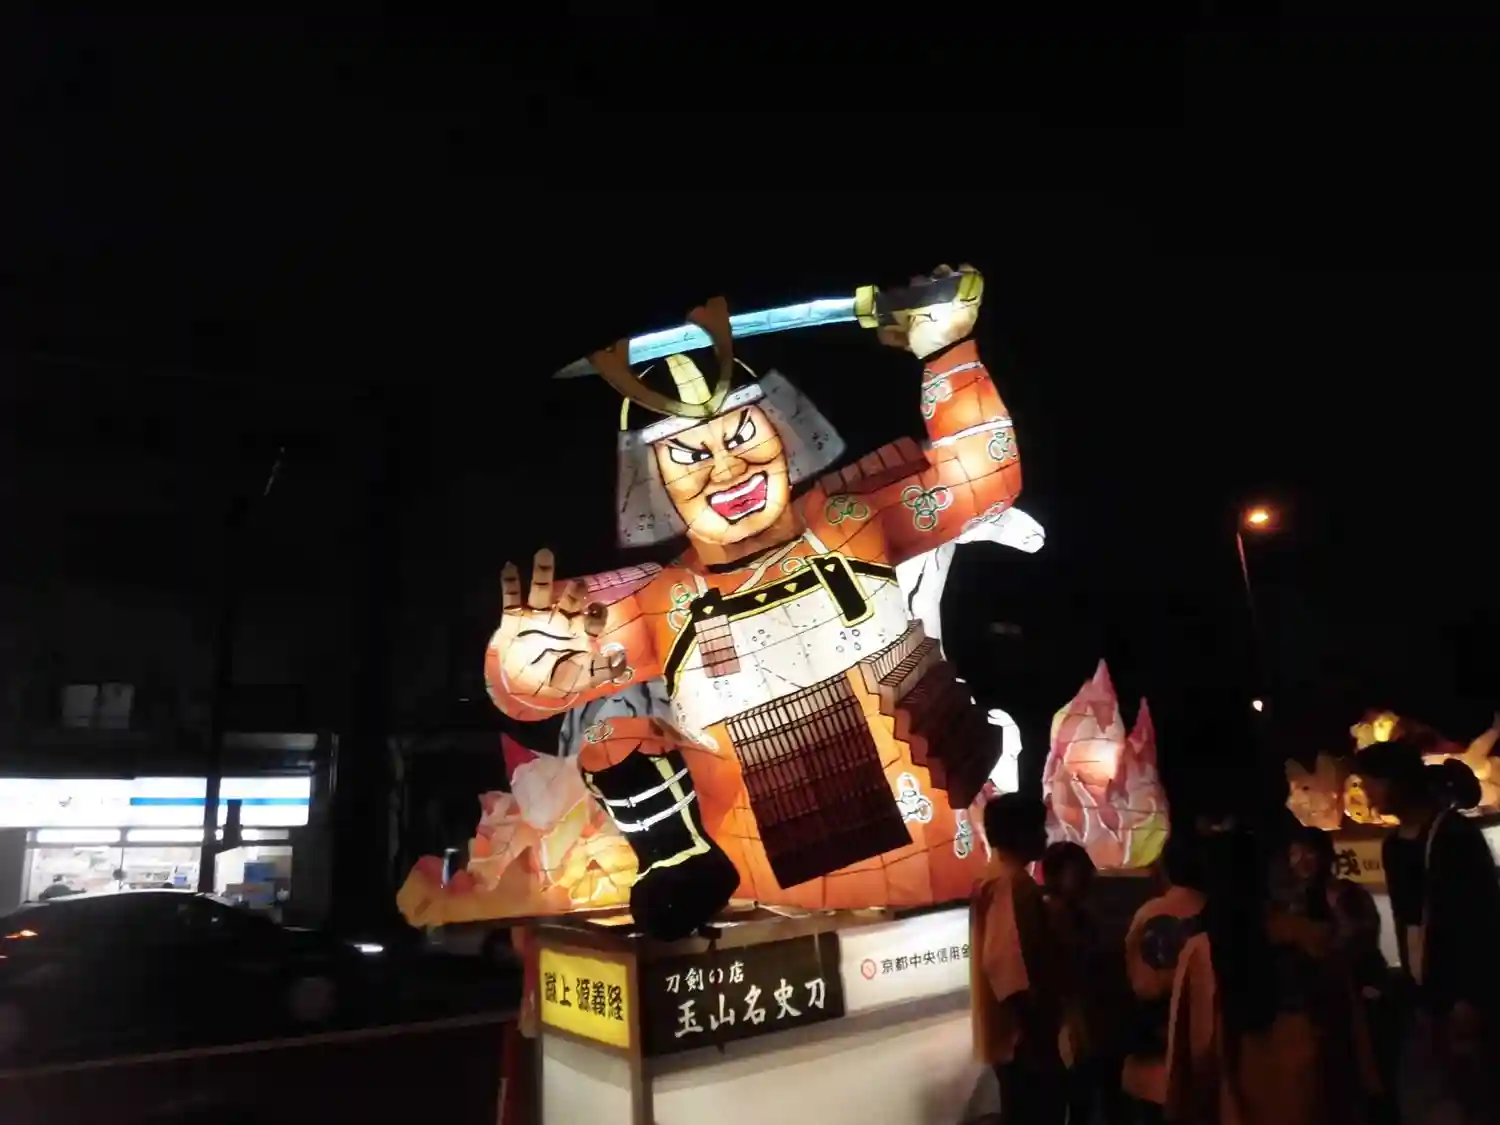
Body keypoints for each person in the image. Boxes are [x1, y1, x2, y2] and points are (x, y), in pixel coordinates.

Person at [1164, 820, 1376, 1125]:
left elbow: (1192, 1054)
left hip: (1245, 1084)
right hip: (1294, 1080)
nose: (1295, 864)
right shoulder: (1308, 938)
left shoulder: (1201, 947)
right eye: (1288, 856)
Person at [1354, 740, 1500, 1124]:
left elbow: (1481, 919)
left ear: (1397, 781)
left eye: (1371, 783)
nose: (1367, 794)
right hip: (1424, 991)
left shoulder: (1454, 835)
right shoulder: (1393, 846)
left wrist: (1469, 995)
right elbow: (1406, 921)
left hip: (1462, 992)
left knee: (1478, 1093)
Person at [972, 793, 1068, 1125]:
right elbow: (1006, 967)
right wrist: (1035, 1032)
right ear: (1018, 835)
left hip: (1012, 1038)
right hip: (1022, 1041)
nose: (1045, 835)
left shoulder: (993, 877)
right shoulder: (1011, 883)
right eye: (1038, 828)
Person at [1121, 830, 1208, 1123]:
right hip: (1198, 1064)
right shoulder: (1220, 914)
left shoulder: (1147, 913)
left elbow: (1136, 981)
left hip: (1148, 1064)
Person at [1042, 841, 1130, 1125]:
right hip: (1079, 1027)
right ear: (1056, 876)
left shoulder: (1081, 915)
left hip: (1094, 1026)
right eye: (1078, 870)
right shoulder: (1054, 917)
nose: (1088, 875)